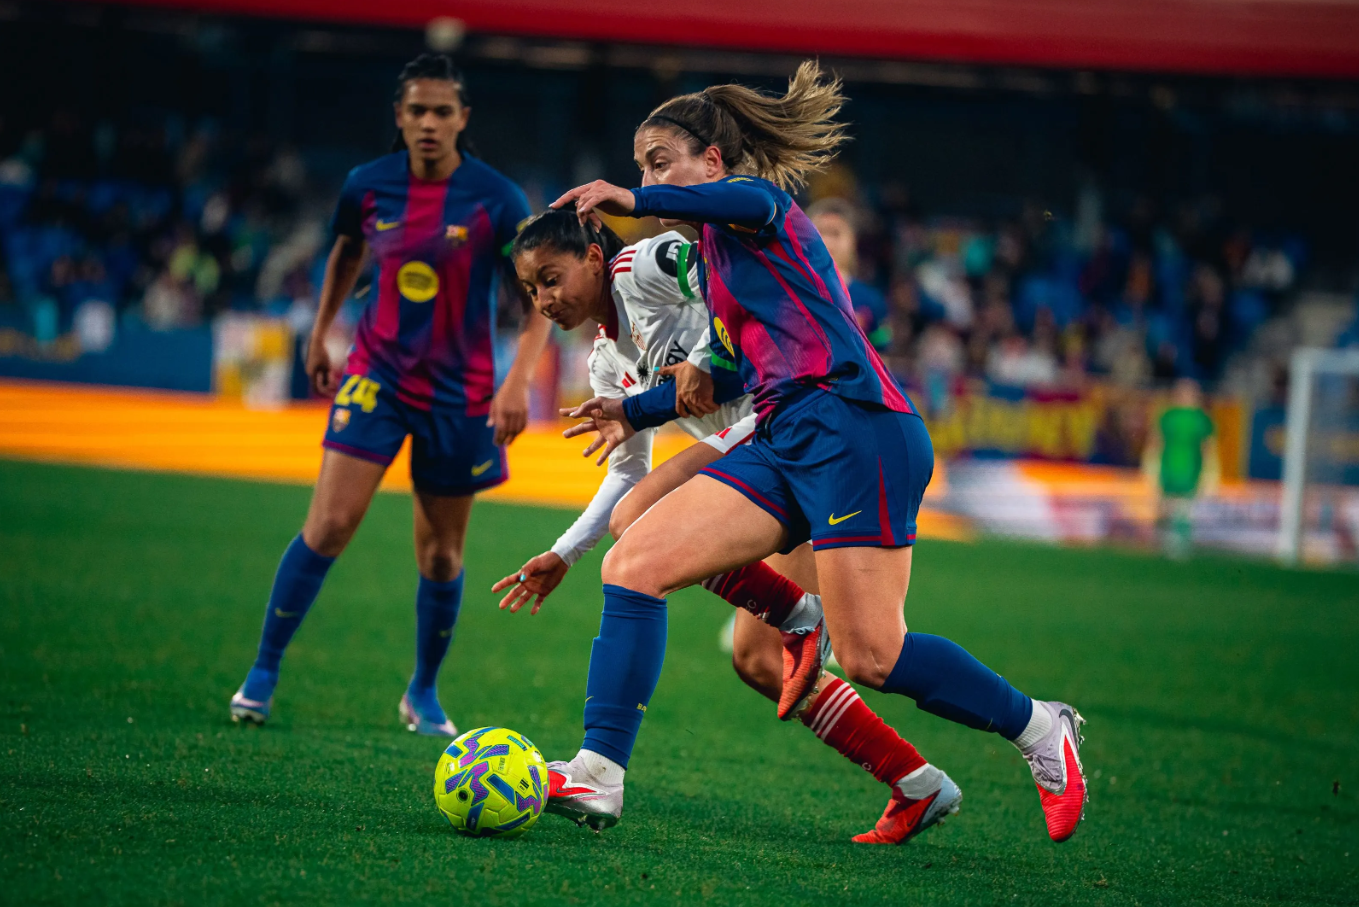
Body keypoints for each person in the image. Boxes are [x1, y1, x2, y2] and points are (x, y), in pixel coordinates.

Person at [550, 61, 1089, 843]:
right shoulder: (718, 262)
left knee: (872, 655)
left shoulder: (760, 206)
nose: (647, 178)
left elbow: (737, 201)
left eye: (659, 162)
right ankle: (598, 773)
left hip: (854, 429)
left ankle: (1040, 726)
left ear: (712, 162)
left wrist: (631, 199)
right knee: (633, 558)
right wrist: (631, 409)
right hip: (783, 434)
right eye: (640, 167)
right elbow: (725, 371)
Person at [493, 208, 959, 843]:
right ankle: (916, 781)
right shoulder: (605, 362)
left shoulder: (646, 263)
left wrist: (701, 359)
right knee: (758, 660)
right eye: (531, 290)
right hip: (754, 468)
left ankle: (606, 765)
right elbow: (628, 472)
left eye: (552, 279)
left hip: (786, 425)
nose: (544, 300)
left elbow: (725, 278)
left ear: (595, 259)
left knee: (864, 650)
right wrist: (564, 551)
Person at [229, 54, 551, 736]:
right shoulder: (366, 185)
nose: (429, 122)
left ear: (462, 119)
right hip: (376, 377)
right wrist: (321, 332)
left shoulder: (496, 198)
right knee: (328, 525)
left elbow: (537, 297)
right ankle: (262, 671)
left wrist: (517, 380)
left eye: (442, 111)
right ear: (399, 117)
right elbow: (347, 253)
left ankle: (423, 691)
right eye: (417, 110)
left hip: (461, 395)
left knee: (440, 555)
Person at [1143, 378, 1219, 559]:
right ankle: (1164, 541)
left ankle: (1179, 544)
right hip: (1169, 467)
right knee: (1166, 505)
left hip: (1191, 468)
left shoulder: (1201, 419)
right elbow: (1156, 441)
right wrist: (1150, 463)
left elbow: (1207, 447)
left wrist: (1211, 470)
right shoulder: (1168, 416)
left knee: (1184, 506)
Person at [807, 197, 890, 352]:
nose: (827, 242)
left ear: (853, 239)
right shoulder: (791, 291)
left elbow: (882, 351)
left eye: (835, 233)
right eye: (820, 232)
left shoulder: (872, 300)